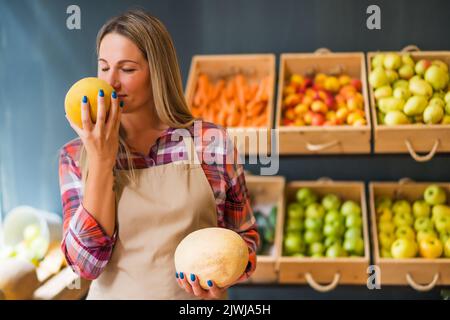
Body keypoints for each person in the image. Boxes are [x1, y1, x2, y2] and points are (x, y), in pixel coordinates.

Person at [58, 9, 259, 300]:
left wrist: (224, 277)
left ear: (158, 72)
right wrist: (101, 160)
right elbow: (85, 265)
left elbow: (244, 237)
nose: (111, 82)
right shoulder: (75, 155)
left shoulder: (210, 144)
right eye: (103, 67)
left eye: (127, 69)